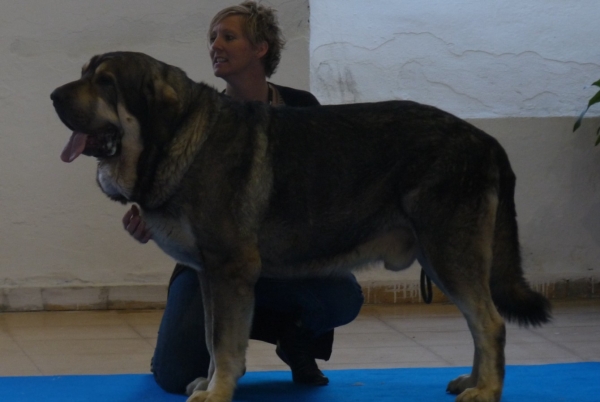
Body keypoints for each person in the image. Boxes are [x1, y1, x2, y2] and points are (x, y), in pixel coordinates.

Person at [122, 1, 364, 394]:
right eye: (213, 38)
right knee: (174, 376)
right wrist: (153, 223)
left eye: (228, 37)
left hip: (284, 260)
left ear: (261, 48)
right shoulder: (196, 119)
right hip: (210, 268)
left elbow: (330, 188)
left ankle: (295, 341)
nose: (215, 45)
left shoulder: (303, 108)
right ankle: (220, 347)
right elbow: (172, 200)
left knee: (343, 296)